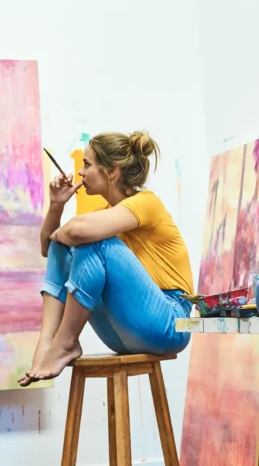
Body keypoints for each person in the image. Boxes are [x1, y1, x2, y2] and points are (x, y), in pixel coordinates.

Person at [18, 131, 193, 386]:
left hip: (170, 322)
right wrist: (56, 205)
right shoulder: (105, 214)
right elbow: (50, 249)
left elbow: (76, 232)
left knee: (89, 239)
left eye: (87, 165)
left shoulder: (146, 202)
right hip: (125, 331)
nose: (80, 172)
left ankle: (64, 343)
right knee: (67, 246)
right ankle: (47, 344)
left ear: (112, 171)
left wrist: (64, 234)